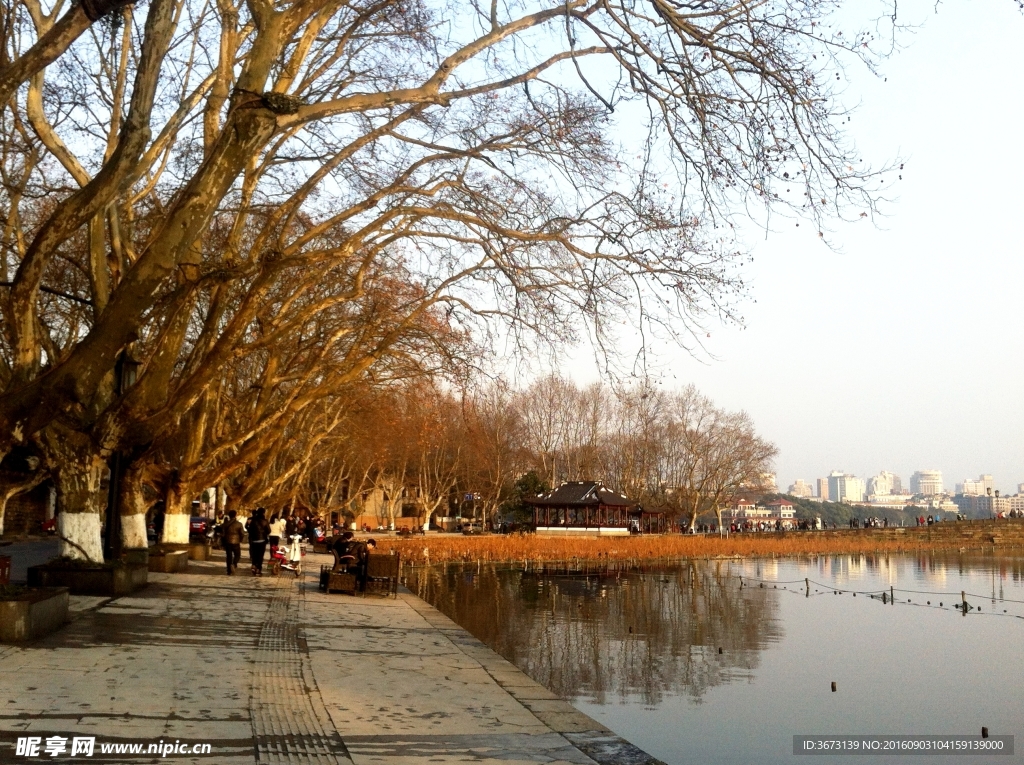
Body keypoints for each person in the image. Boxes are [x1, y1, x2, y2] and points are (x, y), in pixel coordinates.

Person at [246, 508, 271, 576]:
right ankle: (258, 569)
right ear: (263, 513)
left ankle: (254, 565)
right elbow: (269, 531)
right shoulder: (265, 521)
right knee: (260, 555)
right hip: (262, 540)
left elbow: (249, 530)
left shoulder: (253, 521)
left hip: (254, 540)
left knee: (254, 554)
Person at [221, 510, 244, 575]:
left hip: (227, 541)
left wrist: (223, 542)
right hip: (236, 542)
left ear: (229, 515)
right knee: (237, 555)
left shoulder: (225, 524)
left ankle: (229, 570)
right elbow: (242, 533)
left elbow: (223, 534)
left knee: (229, 556)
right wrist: (240, 540)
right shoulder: (239, 524)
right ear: (235, 515)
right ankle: (234, 564)